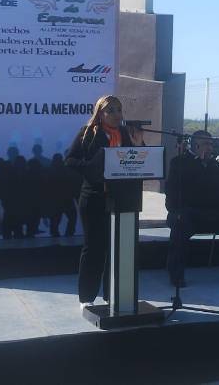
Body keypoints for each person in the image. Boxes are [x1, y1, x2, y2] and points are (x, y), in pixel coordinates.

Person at [66, 95, 145, 310]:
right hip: (94, 197)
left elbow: (137, 160)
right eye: (112, 110)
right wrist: (94, 167)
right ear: (100, 113)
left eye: (119, 110)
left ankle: (113, 294)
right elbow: (70, 160)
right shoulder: (88, 133)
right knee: (94, 248)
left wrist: (139, 145)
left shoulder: (126, 133)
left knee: (116, 248)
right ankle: (86, 297)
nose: (117, 114)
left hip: (122, 198)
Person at [165, 130, 219, 287]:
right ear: (195, 145)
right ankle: (176, 275)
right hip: (189, 213)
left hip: (216, 213)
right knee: (180, 223)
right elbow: (172, 193)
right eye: (206, 144)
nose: (210, 147)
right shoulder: (179, 162)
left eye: (211, 144)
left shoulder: (215, 165)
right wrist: (199, 164)